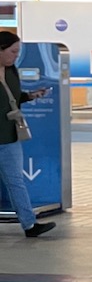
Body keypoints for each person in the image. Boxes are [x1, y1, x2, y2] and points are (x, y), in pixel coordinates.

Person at [0, 32, 54, 238]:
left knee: (16, 182)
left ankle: (29, 225)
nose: (15, 56)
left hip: (9, 136)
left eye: (18, 52)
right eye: (12, 51)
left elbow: (13, 96)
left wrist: (31, 95)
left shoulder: (12, 71)